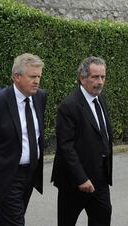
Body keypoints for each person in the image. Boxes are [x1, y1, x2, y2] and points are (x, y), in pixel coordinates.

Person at [51, 56, 112, 226]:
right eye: (95, 77)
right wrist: (81, 178)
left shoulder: (100, 100)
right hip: (74, 182)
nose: (100, 82)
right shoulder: (69, 105)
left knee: (102, 219)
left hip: (100, 181)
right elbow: (66, 146)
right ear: (82, 77)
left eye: (103, 77)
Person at [0, 53, 46, 226]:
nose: (37, 81)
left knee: (7, 221)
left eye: (39, 76)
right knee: (15, 222)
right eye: (32, 77)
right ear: (16, 76)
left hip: (30, 173)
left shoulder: (40, 97)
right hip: (7, 176)